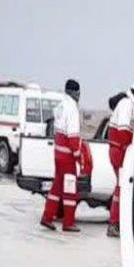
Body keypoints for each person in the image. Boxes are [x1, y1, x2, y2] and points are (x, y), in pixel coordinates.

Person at [40, 78, 86, 233]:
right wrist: (79, 156)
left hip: (58, 153)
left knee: (56, 188)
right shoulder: (72, 108)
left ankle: (47, 217)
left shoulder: (60, 105)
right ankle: (68, 222)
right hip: (68, 157)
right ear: (75, 92)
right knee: (70, 189)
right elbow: (73, 136)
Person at [106, 80, 134, 238]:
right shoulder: (127, 105)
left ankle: (117, 222)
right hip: (119, 151)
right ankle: (113, 223)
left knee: (122, 188)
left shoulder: (129, 105)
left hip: (119, 151)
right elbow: (123, 132)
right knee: (121, 188)